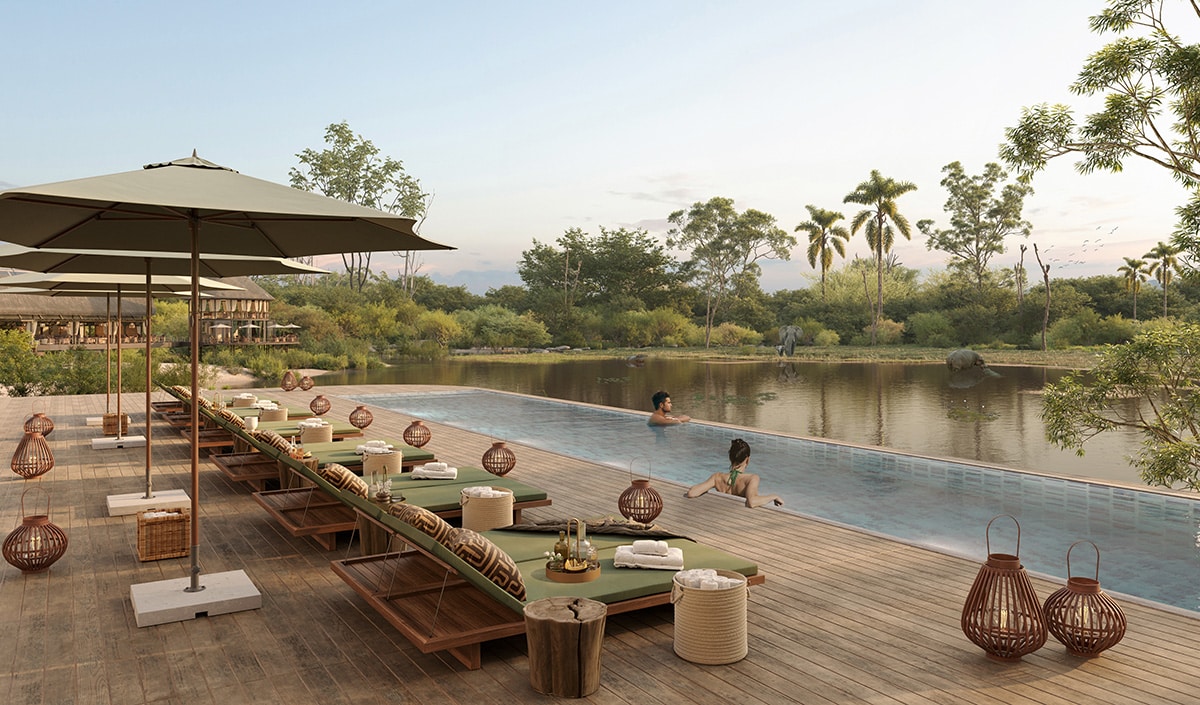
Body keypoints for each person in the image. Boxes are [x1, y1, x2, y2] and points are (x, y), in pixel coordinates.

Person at [685, 438, 784, 508]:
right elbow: (752, 502)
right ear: (748, 459)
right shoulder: (751, 479)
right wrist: (773, 496)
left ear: (730, 458)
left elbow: (692, 493)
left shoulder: (717, 478)